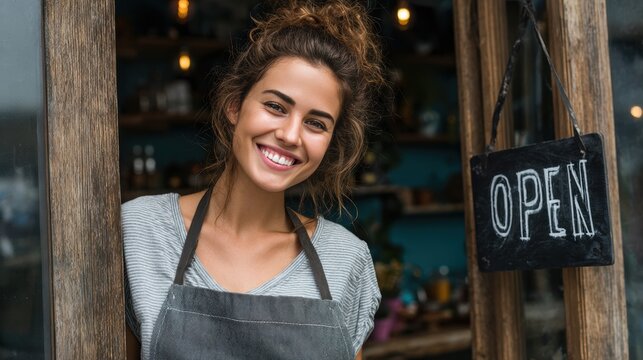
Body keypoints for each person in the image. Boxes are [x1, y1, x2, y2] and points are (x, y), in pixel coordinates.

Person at [122, 1, 388, 358]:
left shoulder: (344, 259)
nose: (291, 135)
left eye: (316, 123)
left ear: (329, 143)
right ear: (234, 106)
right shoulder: (142, 232)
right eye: (276, 106)